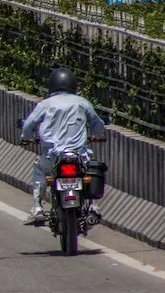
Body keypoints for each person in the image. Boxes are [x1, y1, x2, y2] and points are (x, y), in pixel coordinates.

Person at [20, 66, 106, 226]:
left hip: (52, 156)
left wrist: (26, 137)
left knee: (39, 170)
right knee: (91, 170)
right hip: (79, 155)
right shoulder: (82, 103)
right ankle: (93, 205)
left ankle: (37, 208)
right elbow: (97, 123)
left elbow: (28, 125)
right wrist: (99, 135)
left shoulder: (45, 105)